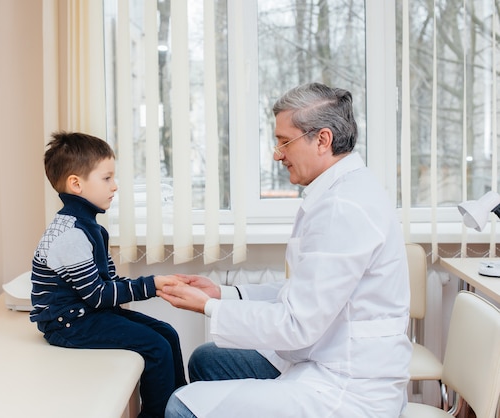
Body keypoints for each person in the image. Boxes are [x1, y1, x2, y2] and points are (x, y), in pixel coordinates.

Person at [158, 82, 412, 418]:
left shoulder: (344, 207)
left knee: (181, 405)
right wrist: (223, 293)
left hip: (347, 386)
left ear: (322, 140)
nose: (277, 155)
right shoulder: (340, 190)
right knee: (208, 359)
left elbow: (296, 324)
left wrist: (209, 307)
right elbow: (306, 289)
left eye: (284, 142)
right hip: (325, 354)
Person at [29, 131, 187, 418]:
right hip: (68, 324)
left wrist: (156, 285)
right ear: (76, 184)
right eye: (107, 178)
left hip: (87, 312)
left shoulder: (91, 228)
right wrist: (150, 285)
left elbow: (107, 285)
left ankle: (182, 409)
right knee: (155, 347)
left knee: (167, 333)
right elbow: (99, 295)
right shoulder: (71, 234)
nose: (115, 187)